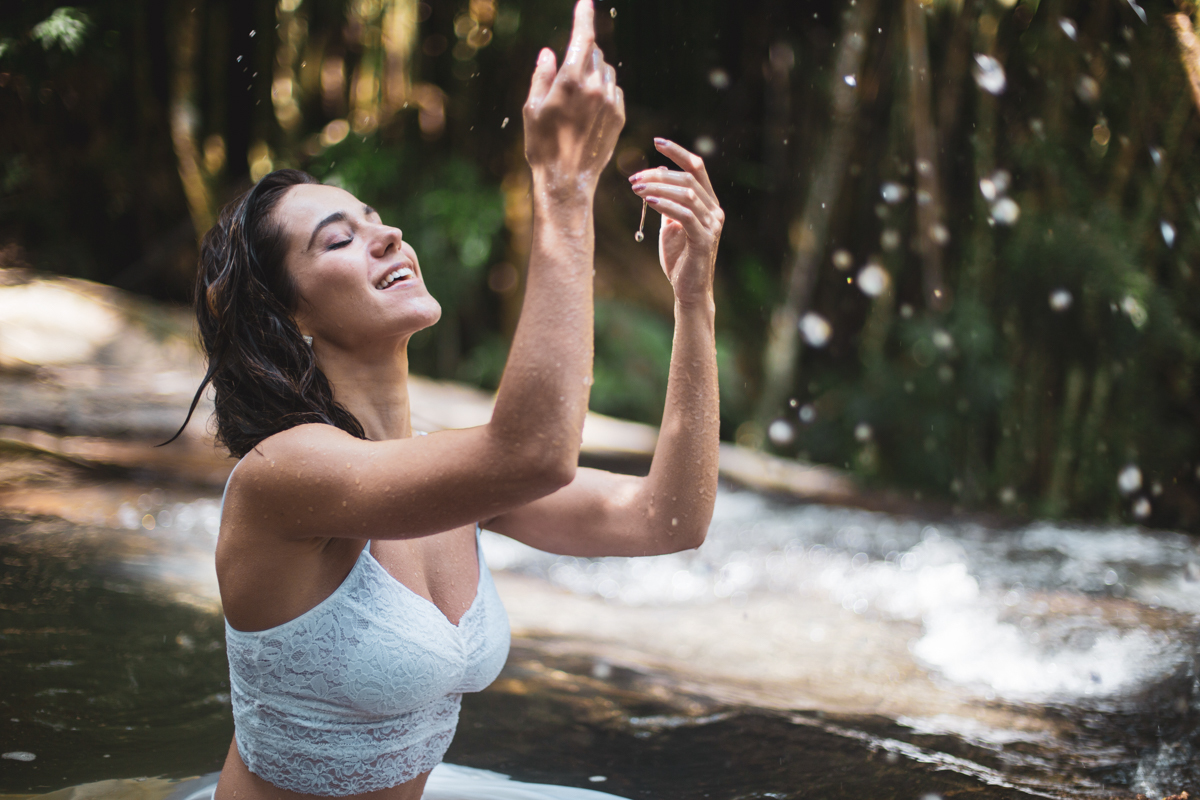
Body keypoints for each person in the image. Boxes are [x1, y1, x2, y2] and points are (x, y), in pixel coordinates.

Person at [176, 2, 723, 797]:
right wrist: (563, 189)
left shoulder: (451, 472)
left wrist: (694, 302)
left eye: (375, 219)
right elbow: (532, 451)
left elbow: (669, 520)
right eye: (338, 239)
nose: (388, 235)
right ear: (286, 317)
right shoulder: (284, 476)